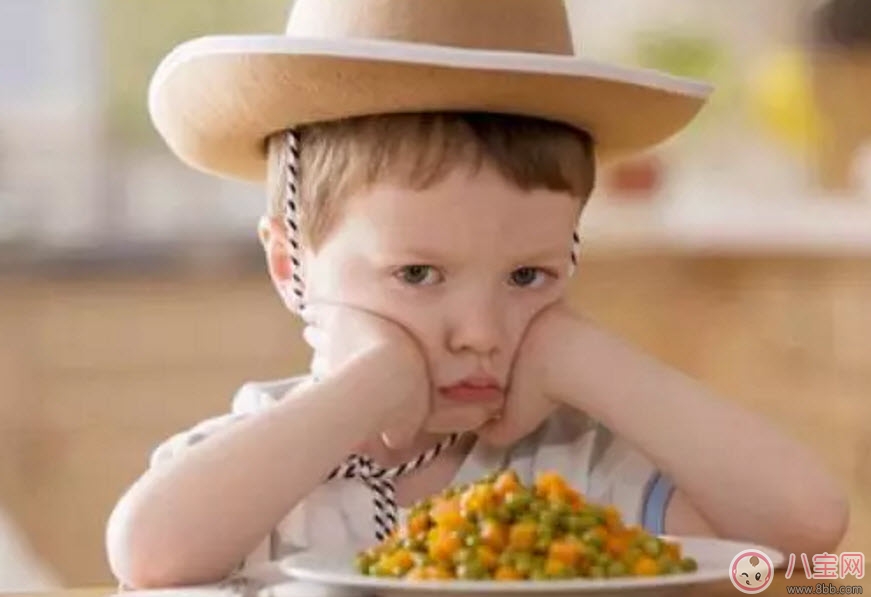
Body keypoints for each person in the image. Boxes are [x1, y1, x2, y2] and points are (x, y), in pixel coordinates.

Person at [106, 0, 849, 588]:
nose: (480, 332)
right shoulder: (251, 469)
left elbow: (809, 538)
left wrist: (576, 352)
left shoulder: (574, 476)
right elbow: (148, 553)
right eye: (417, 275)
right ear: (287, 263)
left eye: (528, 276)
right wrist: (366, 384)